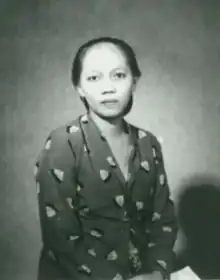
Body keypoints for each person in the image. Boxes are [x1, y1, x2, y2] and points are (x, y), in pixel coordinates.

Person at [34, 37, 178, 280]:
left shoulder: (148, 143)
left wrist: (157, 273)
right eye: (94, 78)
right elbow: (60, 238)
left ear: (134, 82)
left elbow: (162, 219)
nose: (108, 87)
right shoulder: (63, 143)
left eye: (118, 75)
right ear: (78, 87)